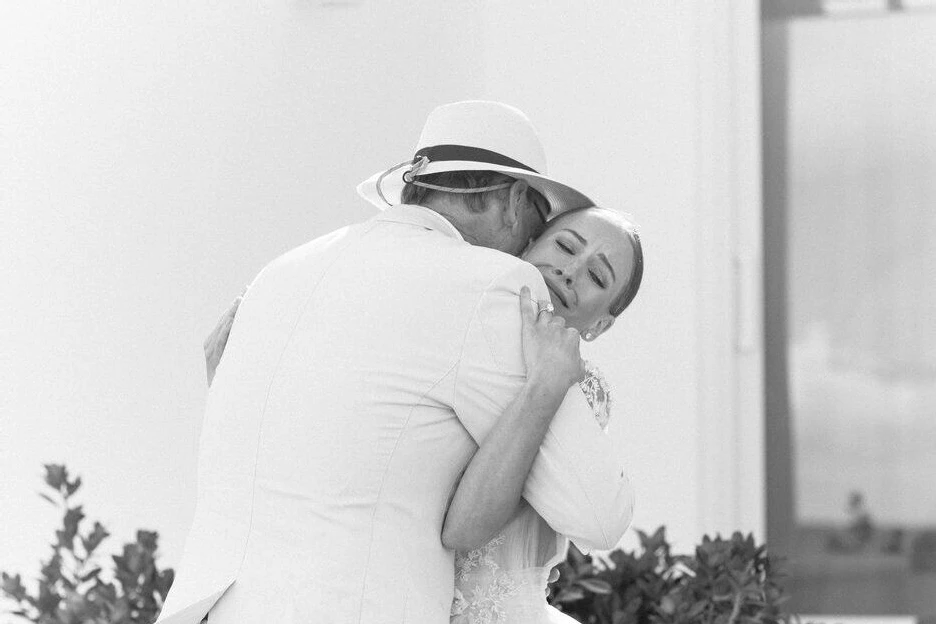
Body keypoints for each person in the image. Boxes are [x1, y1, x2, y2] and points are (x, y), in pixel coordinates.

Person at [156, 101, 635, 624]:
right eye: (544, 226)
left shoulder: (280, 271)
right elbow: (597, 515)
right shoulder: (488, 283)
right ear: (515, 201)